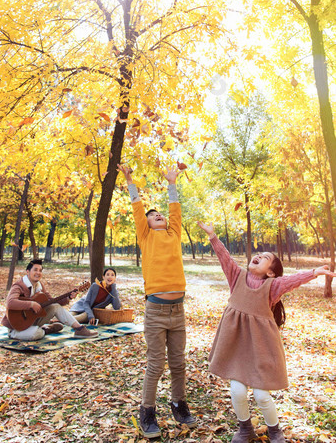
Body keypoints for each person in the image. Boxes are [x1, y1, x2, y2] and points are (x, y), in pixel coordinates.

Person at [197, 221, 335, 443]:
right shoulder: (237, 276)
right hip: (237, 347)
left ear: (271, 272)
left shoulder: (272, 288)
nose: (259, 256)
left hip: (261, 348)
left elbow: (291, 280)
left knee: (261, 395)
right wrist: (213, 236)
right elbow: (225, 257)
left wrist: (314, 272)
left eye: (266, 257)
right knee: (237, 391)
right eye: (259, 254)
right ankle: (245, 429)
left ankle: (274, 431)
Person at [118, 164, 196, 439]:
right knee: (156, 364)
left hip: (178, 311)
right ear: (147, 225)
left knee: (178, 363)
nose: (157, 216)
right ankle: (147, 410)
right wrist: (130, 181)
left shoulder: (174, 234)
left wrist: (172, 182)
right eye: (153, 216)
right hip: (155, 311)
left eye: (159, 214)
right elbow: (138, 210)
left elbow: (175, 211)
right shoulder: (146, 236)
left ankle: (178, 402)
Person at [2, 259, 98, 340]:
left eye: (40, 270)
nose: (38, 273)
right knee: (37, 334)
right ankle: (45, 329)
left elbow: (52, 301)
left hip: (32, 320)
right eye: (35, 270)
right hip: (16, 327)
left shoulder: (40, 286)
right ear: (27, 271)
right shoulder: (19, 285)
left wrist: (69, 297)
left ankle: (79, 329)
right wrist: (31, 304)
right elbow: (10, 303)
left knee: (55, 306)